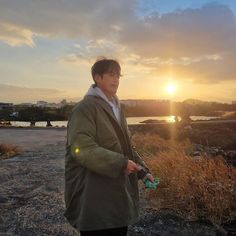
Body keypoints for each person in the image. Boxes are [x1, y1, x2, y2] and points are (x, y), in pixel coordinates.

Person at [64, 58, 154, 236]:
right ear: (97, 77)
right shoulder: (84, 108)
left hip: (117, 193)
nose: (116, 80)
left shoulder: (117, 107)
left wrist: (143, 171)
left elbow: (127, 147)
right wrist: (120, 163)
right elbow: (82, 149)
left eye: (118, 76)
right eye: (111, 75)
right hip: (93, 193)